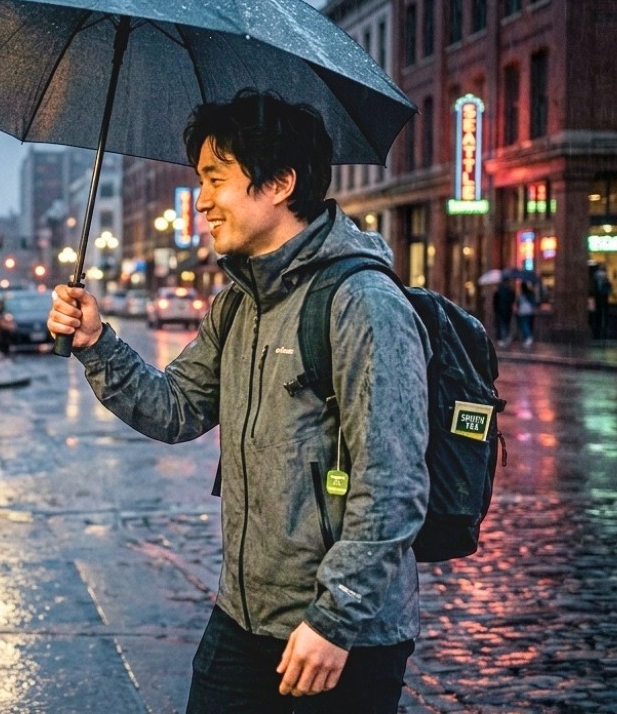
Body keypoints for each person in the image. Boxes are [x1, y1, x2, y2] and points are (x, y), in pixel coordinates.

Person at [48, 90, 429, 713]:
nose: (201, 199)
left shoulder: (362, 303)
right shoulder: (238, 302)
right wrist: (96, 343)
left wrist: (334, 619)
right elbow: (176, 410)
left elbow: (393, 484)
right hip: (242, 619)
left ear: (279, 183)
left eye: (216, 179)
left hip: (337, 639)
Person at [492, 278, 515, 347]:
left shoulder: (498, 292)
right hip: (507, 311)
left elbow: (495, 302)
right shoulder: (510, 291)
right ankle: (505, 338)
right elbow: (512, 300)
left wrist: (495, 309)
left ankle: (501, 339)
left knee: (500, 325)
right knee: (506, 325)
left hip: (500, 310)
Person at [592, 265, 611, 339]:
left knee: (598, 316)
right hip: (603, 300)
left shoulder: (595, 278)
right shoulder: (605, 279)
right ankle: (602, 333)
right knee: (603, 315)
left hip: (598, 300)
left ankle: (598, 333)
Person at [516, 280, 537, 346]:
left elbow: (518, 303)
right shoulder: (530, 293)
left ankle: (528, 337)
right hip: (529, 311)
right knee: (528, 324)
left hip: (523, 312)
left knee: (524, 325)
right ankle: (528, 337)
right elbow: (533, 302)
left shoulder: (521, 295)